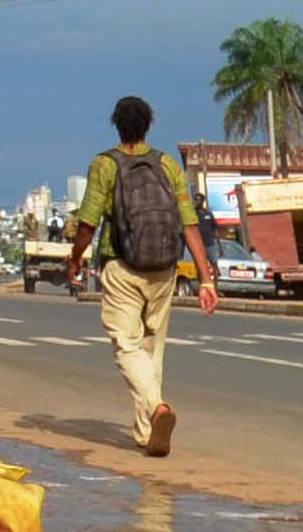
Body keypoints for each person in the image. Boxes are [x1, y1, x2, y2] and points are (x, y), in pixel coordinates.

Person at [63, 96, 221, 458]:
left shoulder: (105, 165)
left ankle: (156, 408)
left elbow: (88, 222)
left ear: (116, 124)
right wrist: (205, 278)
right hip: (164, 268)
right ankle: (146, 432)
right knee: (153, 347)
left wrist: (75, 259)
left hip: (122, 265)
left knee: (127, 345)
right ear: (149, 125)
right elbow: (189, 223)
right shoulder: (166, 165)